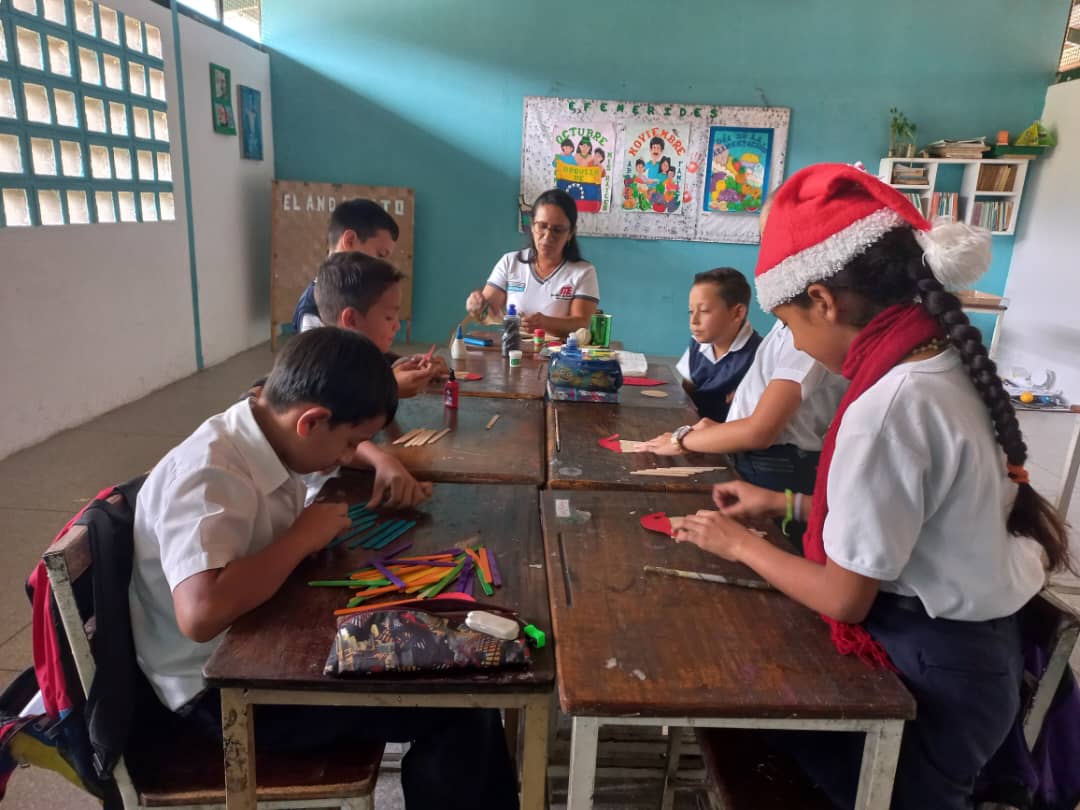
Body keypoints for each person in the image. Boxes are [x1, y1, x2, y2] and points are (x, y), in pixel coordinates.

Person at [673, 163, 1070, 810]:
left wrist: (739, 544)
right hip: (982, 657)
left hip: (933, 674)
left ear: (825, 300)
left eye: (794, 327)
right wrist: (786, 504)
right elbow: (926, 513)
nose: (798, 342)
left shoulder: (886, 406)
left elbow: (845, 598)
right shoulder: (941, 362)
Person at [129, 328, 518, 810]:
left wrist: (368, 465)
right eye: (350, 442)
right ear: (311, 421)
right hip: (218, 695)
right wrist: (300, 539)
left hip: (257, 641)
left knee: (457, 679)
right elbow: (201, 613)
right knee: (458, 707)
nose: (346, 456)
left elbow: (326, 460)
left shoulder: (267, 428)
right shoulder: (208, 473)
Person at [465, 188, 599, 338]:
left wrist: (545, 323)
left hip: (559, 355)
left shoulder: (583, 271)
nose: (548, 237)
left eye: (558, 230)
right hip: (513, 350)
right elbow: (487, 313)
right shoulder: (510, 262)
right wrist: (477, 307)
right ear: (532, 225)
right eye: (542, 226)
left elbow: (581, 323)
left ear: (571, 233)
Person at [310, 252, 439, 398]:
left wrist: (415, 363)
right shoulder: (322, 371)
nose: (397, 326)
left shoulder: (364, 353)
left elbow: (387, 362)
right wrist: (390, 390)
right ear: (351, 320)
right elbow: (341, 408)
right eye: (389, 317)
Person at [674, 268, 763, 423]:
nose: (693, 320)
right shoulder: (697, 344)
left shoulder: (760, 355)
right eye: (690, 311)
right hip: (692, 432)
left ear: (737, 313)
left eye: (704, 311)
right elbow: (686, 396)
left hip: (732, 441)